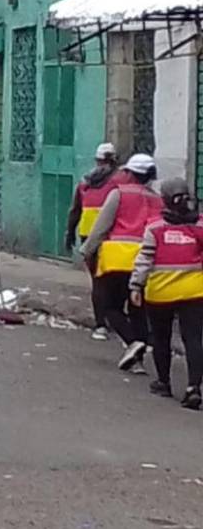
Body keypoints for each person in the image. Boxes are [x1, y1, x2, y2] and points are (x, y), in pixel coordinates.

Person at [83, 153, 161, 373]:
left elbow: (102, 226)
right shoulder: (157, 199)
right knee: (137, 310)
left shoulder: (119, 194)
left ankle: (132, 342)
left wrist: (87, 250)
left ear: (130, 174)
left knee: (110, 306)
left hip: (116, 259)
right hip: (144, 262)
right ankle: (137, 361)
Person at [130, 177, 203, 409]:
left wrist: (136, 285)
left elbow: (144, 259)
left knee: (161, 338)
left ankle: (163, 382)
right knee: (193, 339)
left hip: (160, 293)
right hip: (194, 292)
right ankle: (193, 388)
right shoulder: (200, 226)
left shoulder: (155, 228)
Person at [65, 143, 122, 341]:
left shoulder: (85, 182)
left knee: (98, 281)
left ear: (97, 160)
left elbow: (75, 211)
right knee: (114, 280)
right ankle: (114, 320)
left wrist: (69, 233)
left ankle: (101, 325)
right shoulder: (118, 183)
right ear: (114, 160)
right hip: (111, 237)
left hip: (88, 236)